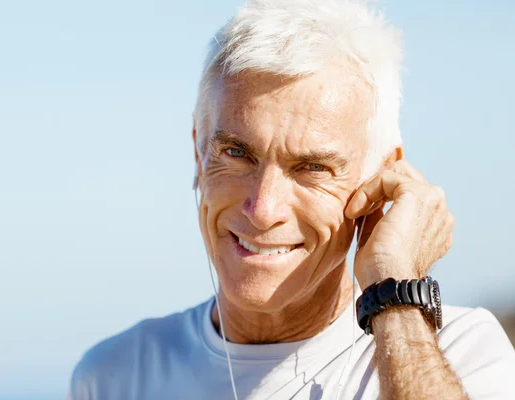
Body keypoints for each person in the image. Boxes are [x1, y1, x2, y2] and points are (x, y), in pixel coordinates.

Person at [67, 1, 515, 399]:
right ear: (198, 153)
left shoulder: (461, 354)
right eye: (237, 153)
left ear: (381, 176)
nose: (262, 209)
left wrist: (394, 291)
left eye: (312, 167)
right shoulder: (114, 376)